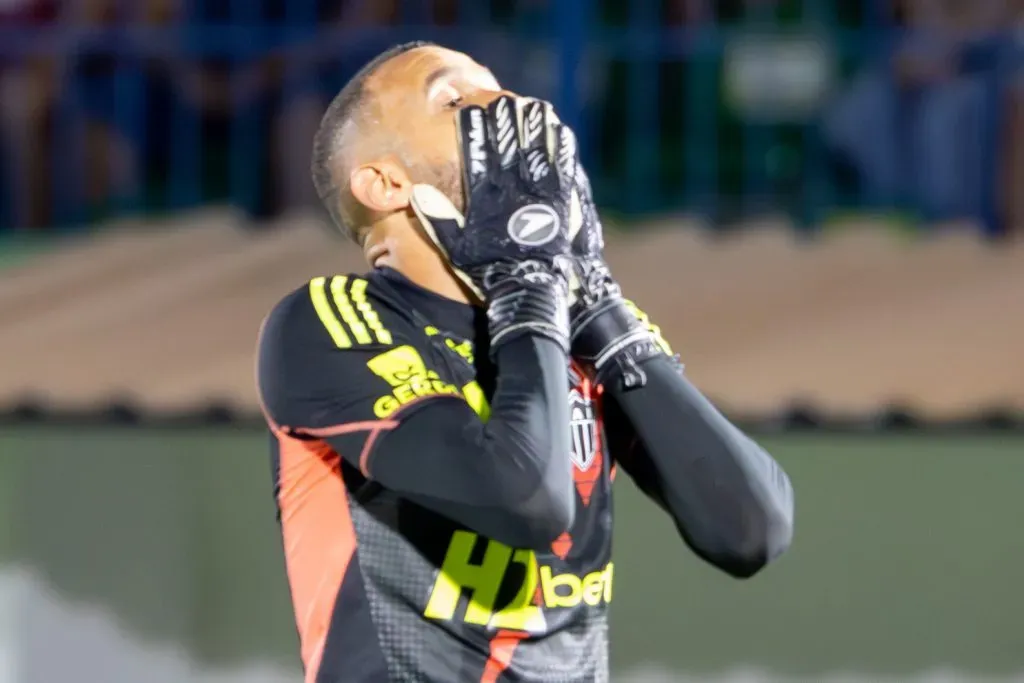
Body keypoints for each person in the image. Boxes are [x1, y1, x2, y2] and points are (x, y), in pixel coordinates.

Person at [256, 41, 794, 683]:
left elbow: (750, 530)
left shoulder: (573, 324)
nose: (504, 107)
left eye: (500, 89)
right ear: (384, 183)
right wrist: (528, 279)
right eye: (454, 99)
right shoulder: (326, 321)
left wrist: (594, 297)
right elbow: (526, 503)